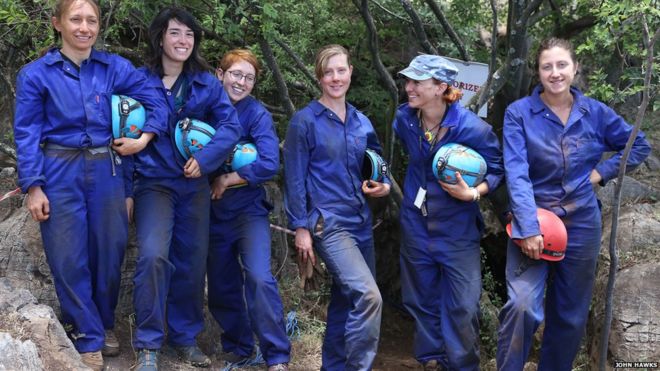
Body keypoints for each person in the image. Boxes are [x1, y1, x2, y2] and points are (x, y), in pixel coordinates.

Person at [13, 0, 168, 370]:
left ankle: (103, 322)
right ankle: (87, 336)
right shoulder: (36, 75)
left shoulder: (114, 68)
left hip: (107, 169)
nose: (84, 27)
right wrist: (33, 185)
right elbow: (27, 132)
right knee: (68, 256)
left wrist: (144, 138)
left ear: (99, 26)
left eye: (91, 20)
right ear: (57, 23)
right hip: (59, 168)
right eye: (76, 19)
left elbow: (155, 99)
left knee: (109, 252)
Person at [497, 37, 651, 370]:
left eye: (562, 65)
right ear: (538, 72)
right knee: (522, 305)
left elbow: (638, 145)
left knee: (570, 315)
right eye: (546, 66)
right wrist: (527, 226)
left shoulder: (595, 113)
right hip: (533, 217)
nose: (555, 73)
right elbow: (517, 171)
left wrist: (600, 173)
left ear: (575, 68)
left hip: (581, 222)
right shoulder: (519, 114)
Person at [130, 7, 242, 370]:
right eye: (175, 33)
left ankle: (183, 338)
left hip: (194, 186)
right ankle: (148, 342)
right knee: (152, 255)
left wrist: (207, 159)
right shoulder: (139, 79)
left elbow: (229, 126)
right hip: (154, 183)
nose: (182, 41)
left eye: (189, 35)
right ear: (160, 37)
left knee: (192, 262)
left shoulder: (207, 83)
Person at [393, 55, 504, 370]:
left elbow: (497, 170)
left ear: (441, 86)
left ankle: (462, 364)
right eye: (408, 80)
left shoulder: (474, 129)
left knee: (463, 305)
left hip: (457, 230)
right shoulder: (404, 119)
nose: (409, 87)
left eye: (417, 82)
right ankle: (431, 358)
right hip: (416, 224)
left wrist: (474, 192)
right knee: (419, 297)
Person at [283, 44, 390, 371]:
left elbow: (376, 159)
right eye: (328, 72)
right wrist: (300, 227)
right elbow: (295, 178)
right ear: (319, 77)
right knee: (369, 297)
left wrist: (383, 182)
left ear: (350, 72)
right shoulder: (305, 121)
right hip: (328, 224)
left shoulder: (361, 121)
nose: (335, 77)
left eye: (340, 70)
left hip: (360, 220)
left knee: (346, 303)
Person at [207, 49, 291, 371]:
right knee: (221, 282)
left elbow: (269, 162)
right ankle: (240, 346)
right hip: (211, 212)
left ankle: (277, 356)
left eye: (249, 78)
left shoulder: (256, 115)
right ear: (220, 74)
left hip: (248, 210)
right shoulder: (205, 107)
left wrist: (228, 178)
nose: (241, 82)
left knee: (258, 276)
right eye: (236, 74)